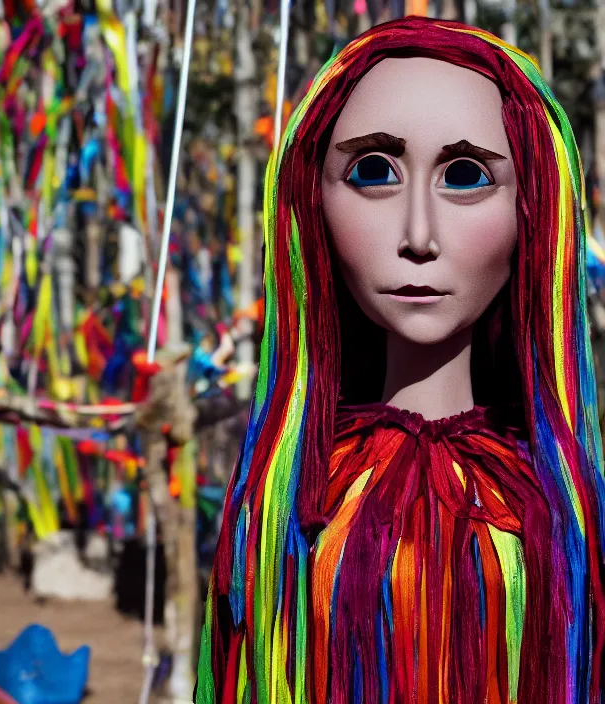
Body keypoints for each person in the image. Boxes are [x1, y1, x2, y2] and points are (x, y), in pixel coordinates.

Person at [195, 16, 605, 703]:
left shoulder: (561, 513)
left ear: (533, 205)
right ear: (310, 199)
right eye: (373, 171)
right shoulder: (283, 507)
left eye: (467, 175)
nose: (418, 235)